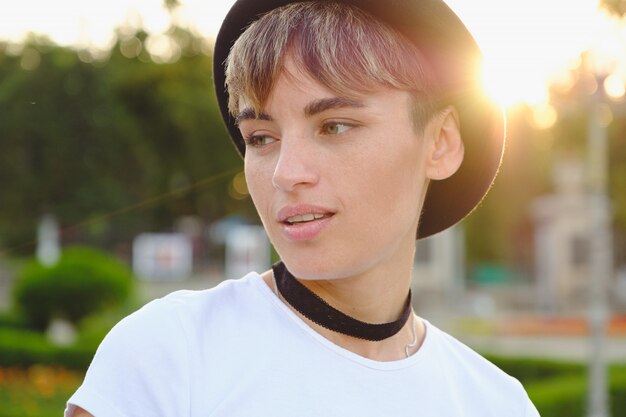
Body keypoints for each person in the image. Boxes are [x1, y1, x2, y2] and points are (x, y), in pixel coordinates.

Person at [66, 0, 540, 416]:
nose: (285, 173)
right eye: (262, 138)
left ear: (440, 142)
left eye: (334, 126)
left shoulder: (497, 403)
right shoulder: (169, 355)